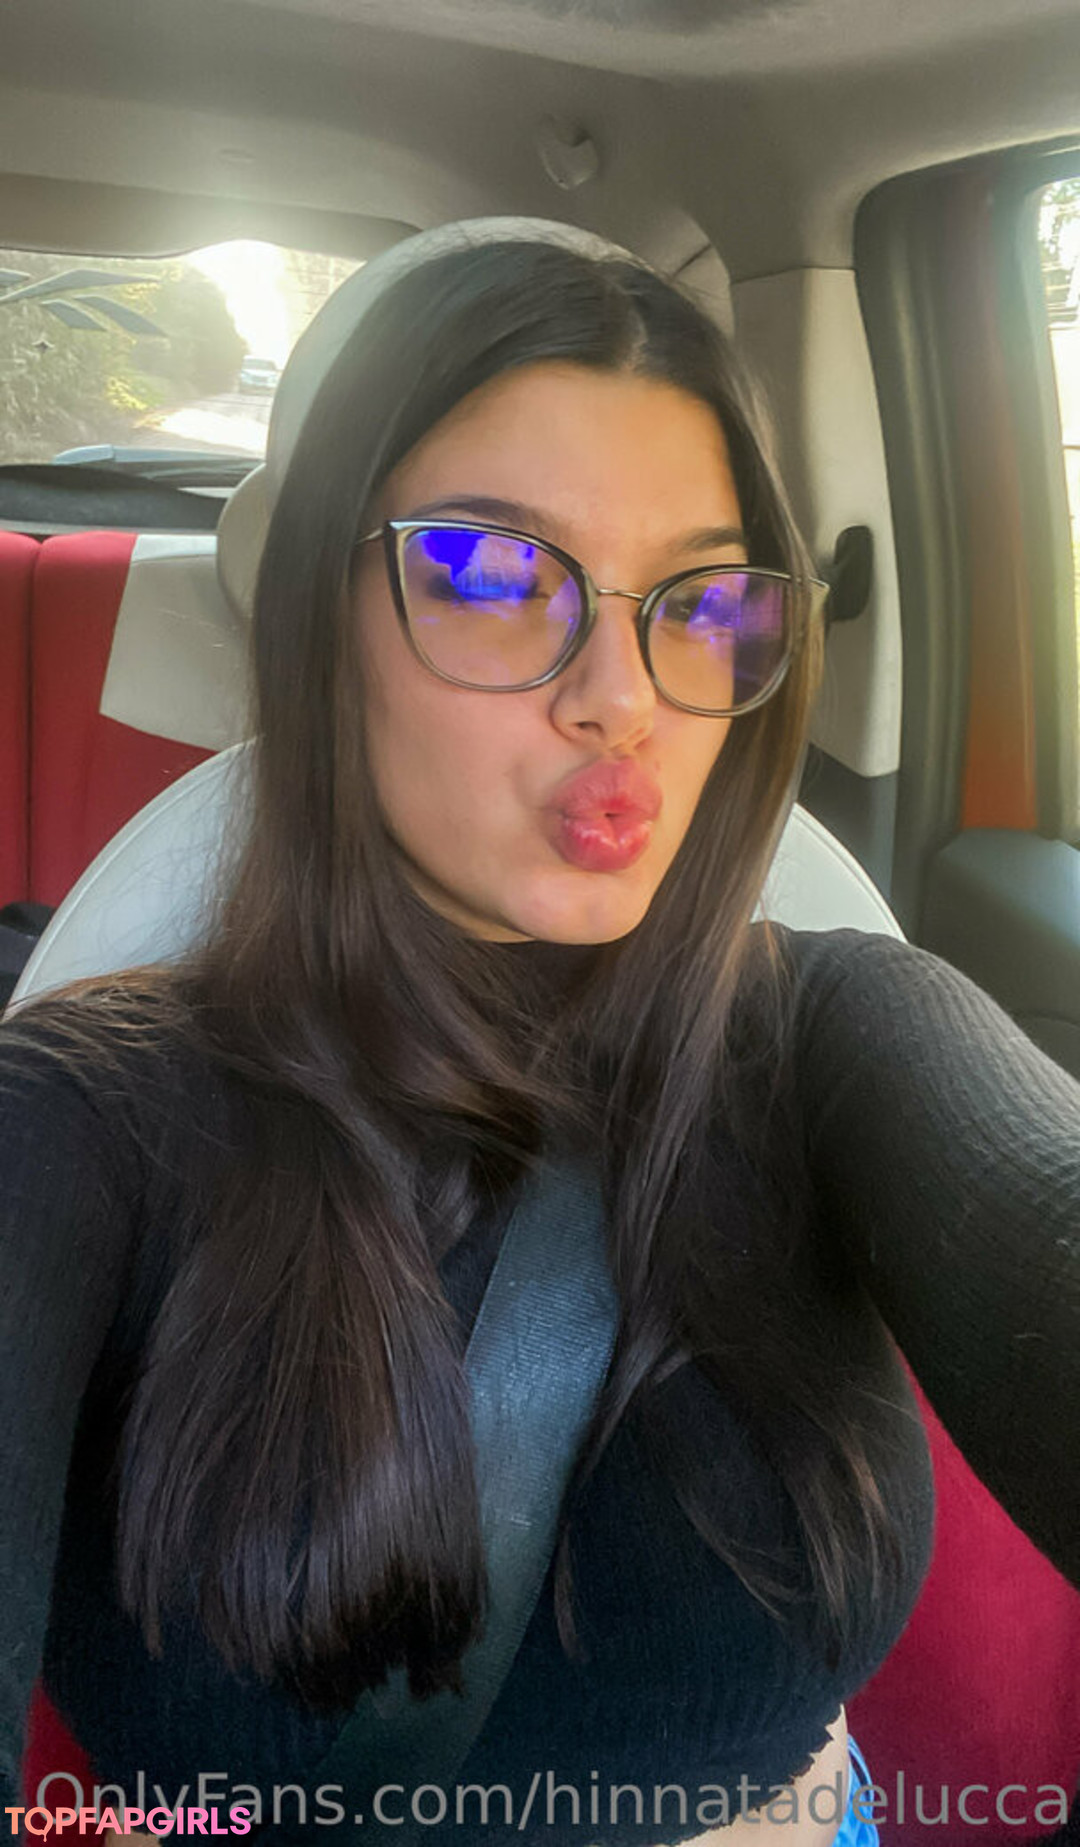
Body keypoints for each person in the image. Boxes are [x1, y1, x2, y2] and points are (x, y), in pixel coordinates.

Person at [1, 219, 1078, 1847]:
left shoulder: (842, 1032)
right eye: (491, 576)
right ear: (318, 614)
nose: (623, 697)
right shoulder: (75, 1119)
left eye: (701, 599)